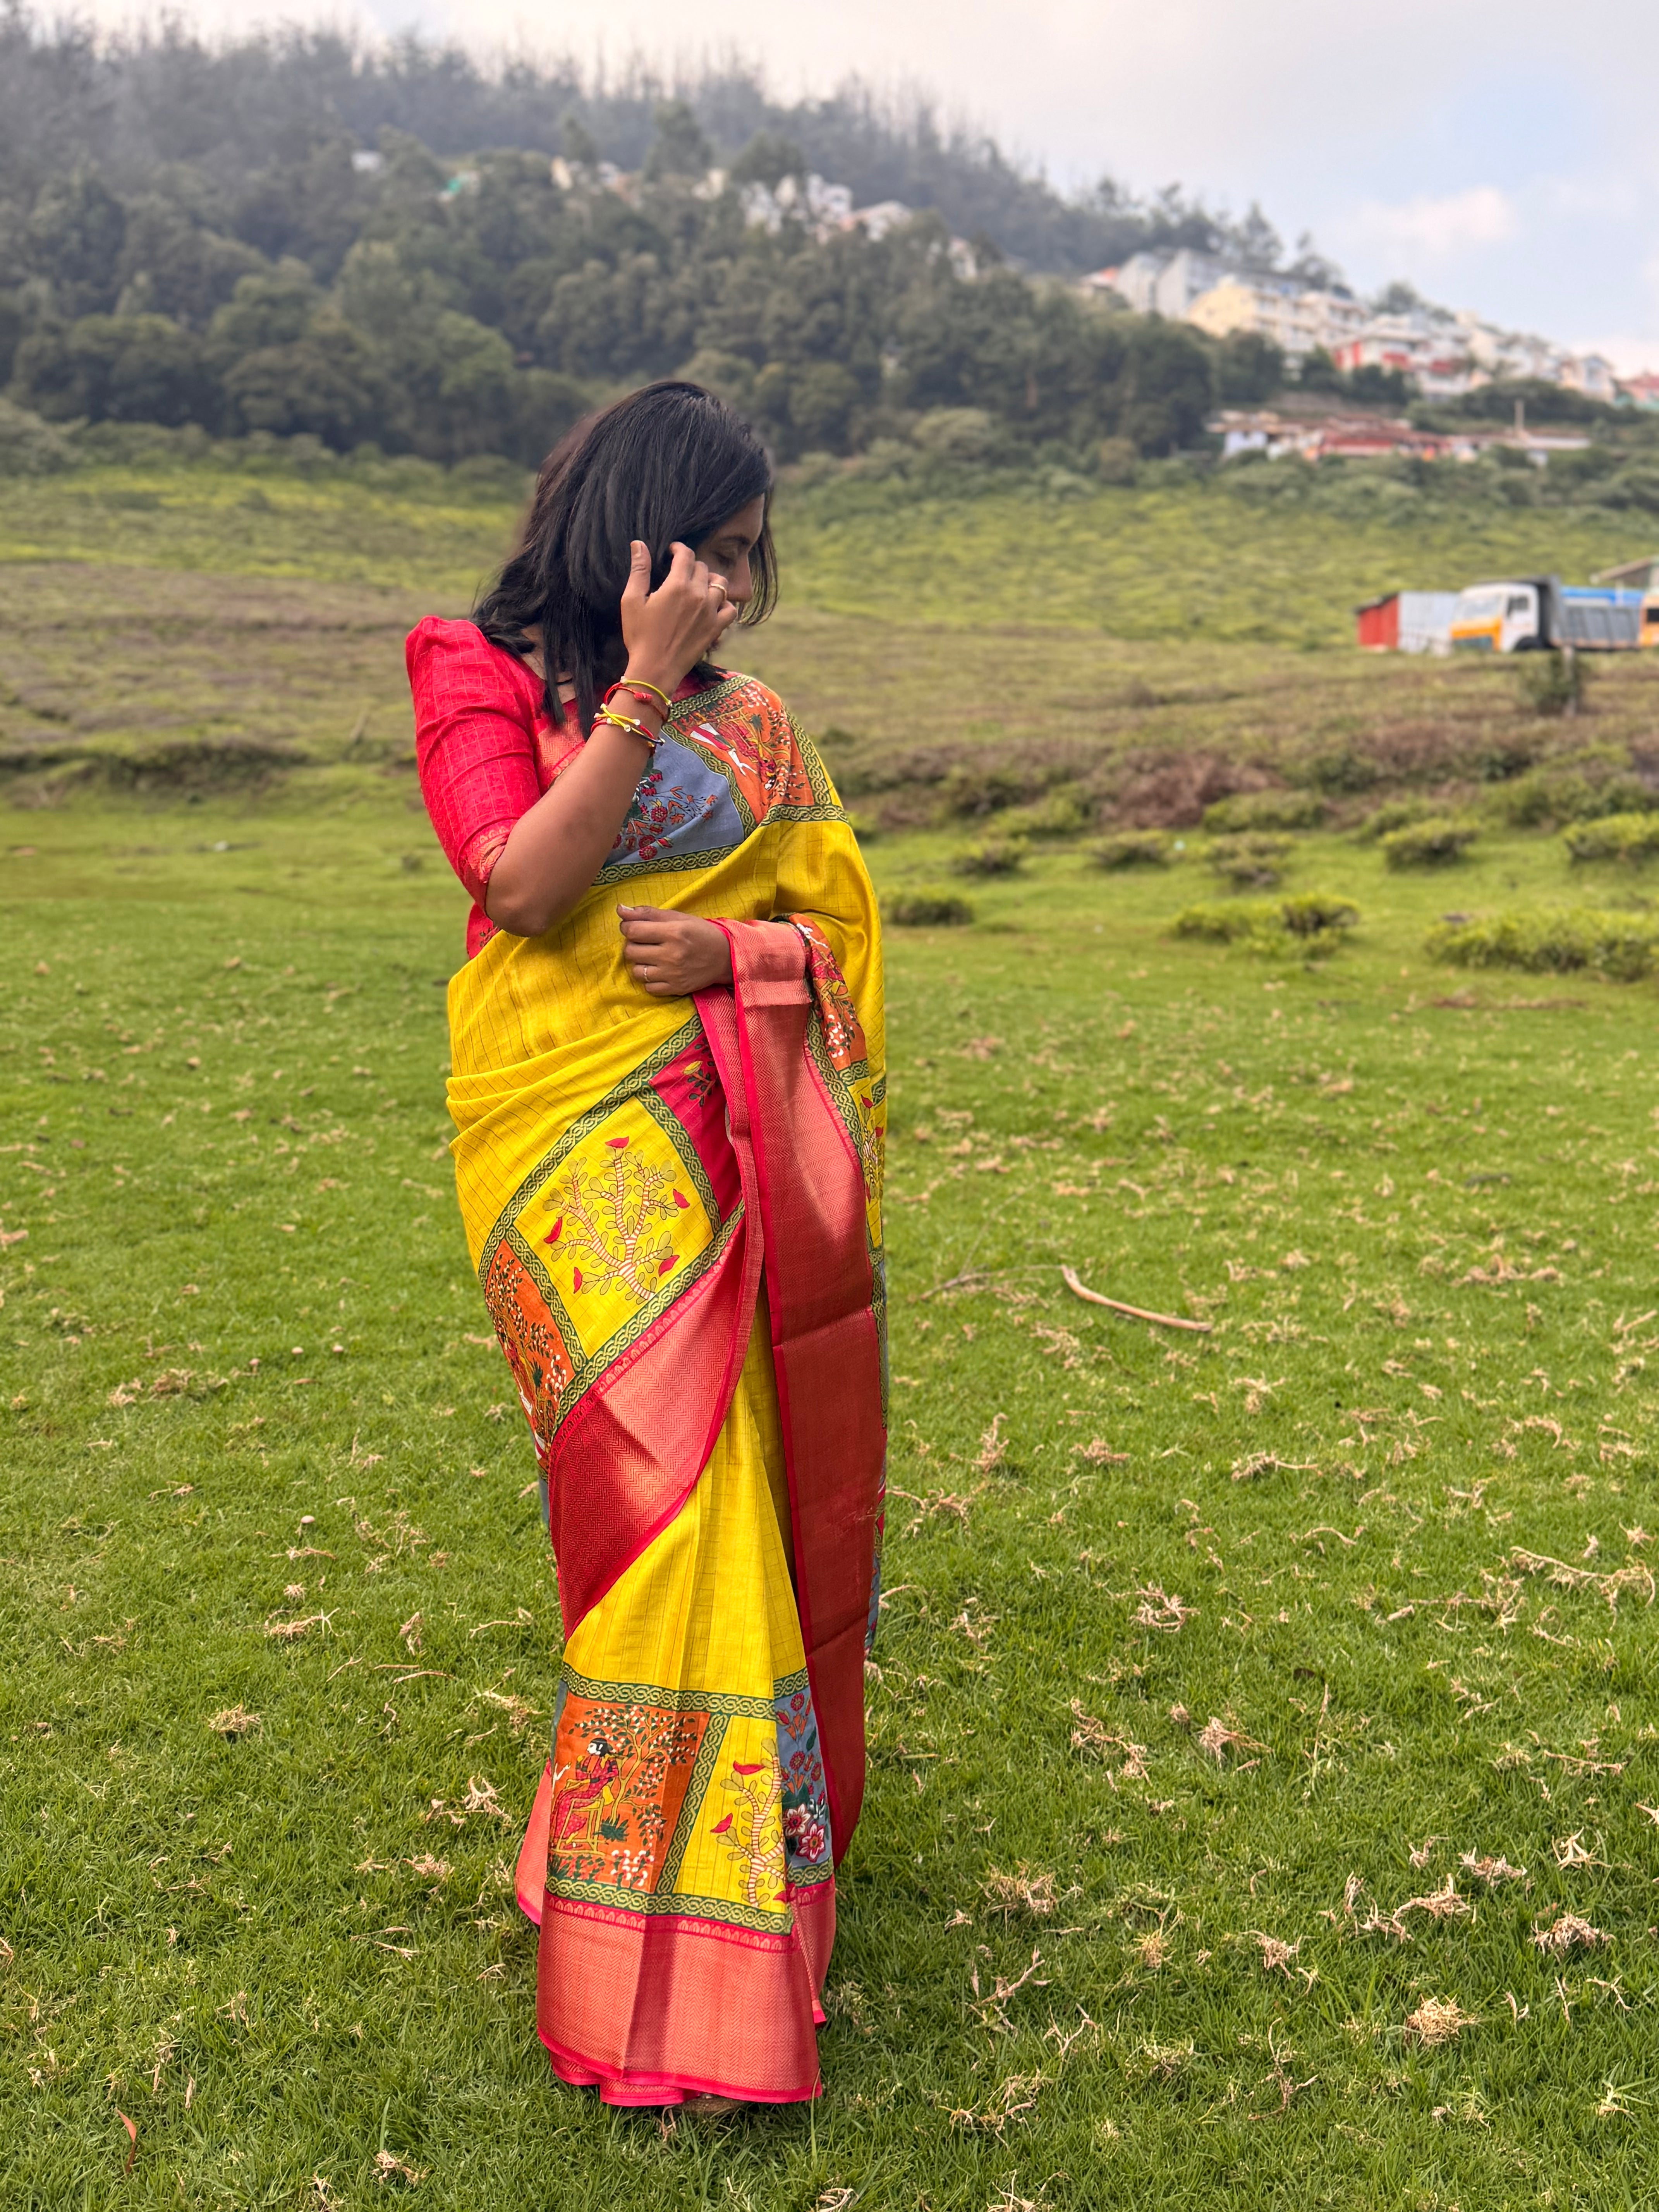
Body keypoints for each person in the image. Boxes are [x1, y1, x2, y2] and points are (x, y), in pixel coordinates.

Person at [406, 381, 886, 2109]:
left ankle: (723, 1902)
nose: (739, 599)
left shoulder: (758, 728)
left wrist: (745, 963)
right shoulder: (476, 670)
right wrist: (625, 687)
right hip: (554, 1142)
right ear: (639, 537)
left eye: (759, 567)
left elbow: (831, 927)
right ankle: (643, 1926)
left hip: (713, 1124)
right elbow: (522, 885)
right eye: (718, 557)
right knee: (642, 1508)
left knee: (725, 1501)